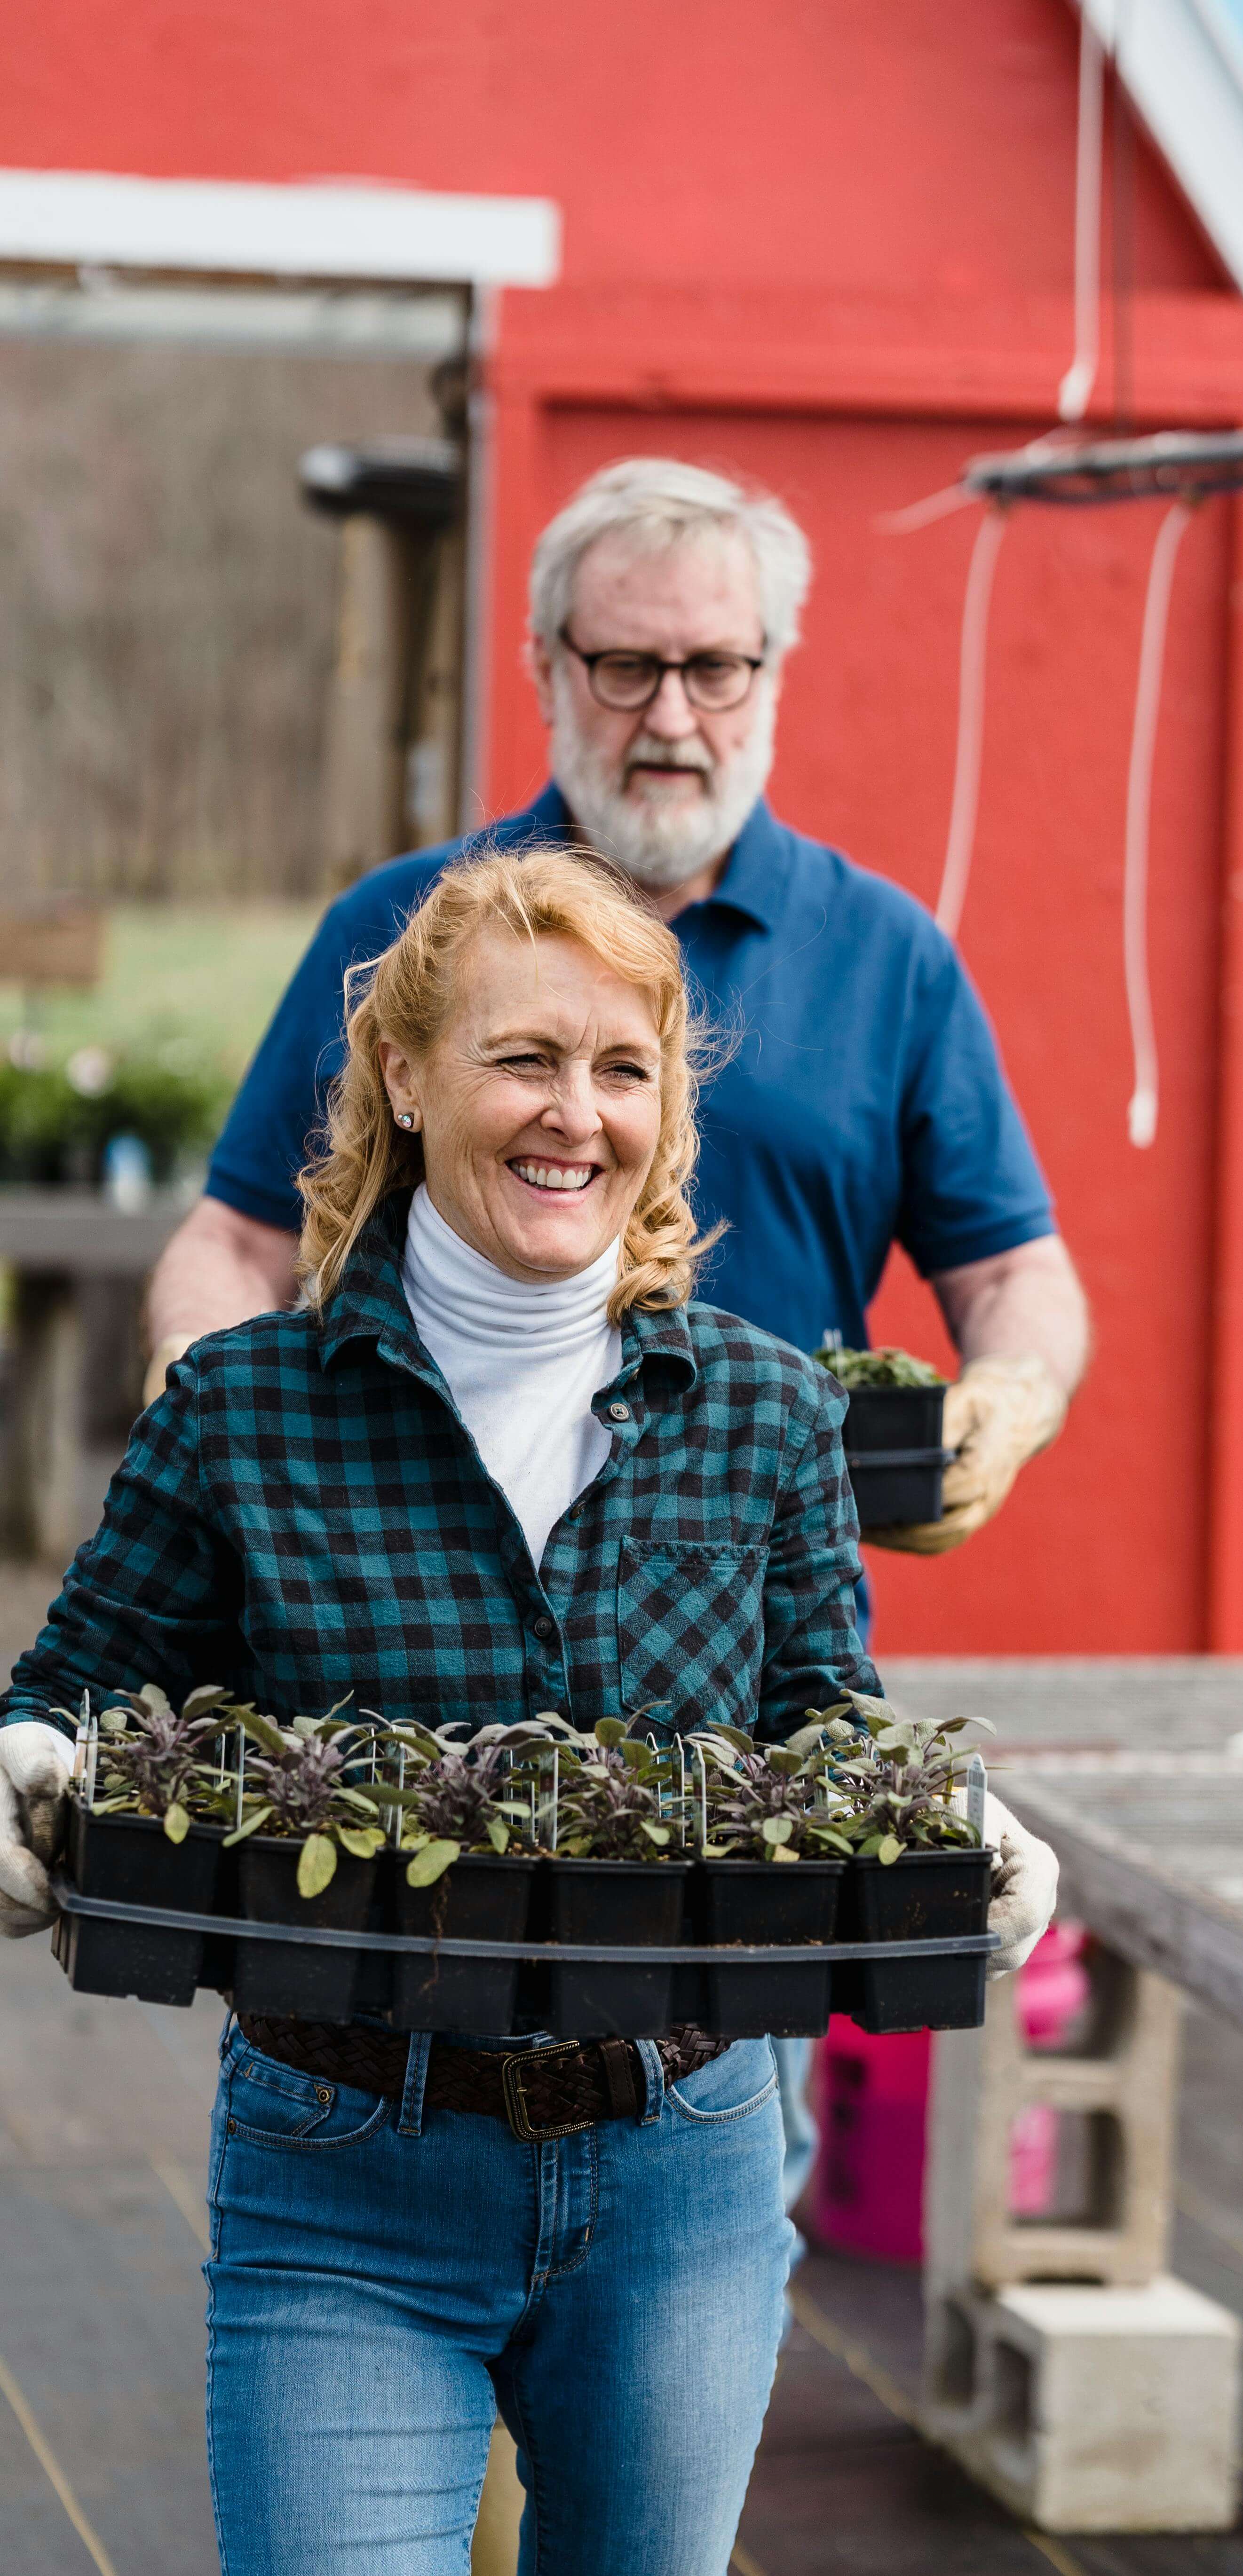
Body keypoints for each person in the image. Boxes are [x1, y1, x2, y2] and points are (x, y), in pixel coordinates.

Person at [0, 850, 1058, 2575]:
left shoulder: (766, 1412)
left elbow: (820, 1715)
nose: (577, 1115)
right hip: (345, 2159)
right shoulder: (247, 1407)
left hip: (686, 2165)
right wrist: (27, 1768)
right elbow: (73, 1681)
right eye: (523, 1060)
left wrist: (957, 1832)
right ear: (406, 1082)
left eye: (621, 1069)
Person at [138, 452, 1080, 2213]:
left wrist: (1006, 1406)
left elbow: (1017, 1266)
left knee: (717, 2169)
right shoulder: (404, 935)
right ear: (546, 664)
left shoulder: (882, 958)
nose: (671, 714)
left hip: (730, 1700)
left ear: (775, 676)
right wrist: (217, 1419)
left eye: (716, 666)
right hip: (402, 1675)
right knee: (384, 2106)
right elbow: (236, 1239)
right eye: (623, 665)